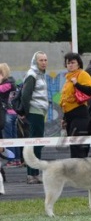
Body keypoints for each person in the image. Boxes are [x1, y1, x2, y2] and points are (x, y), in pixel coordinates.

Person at [59, 52, 91, 158]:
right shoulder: (68, 78)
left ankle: (81, 172)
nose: (70, 65)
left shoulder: (82, 74)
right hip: (70, 117)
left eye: (72, 62)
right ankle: (76, 172)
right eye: (68, 63)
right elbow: (66, 100)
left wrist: (77, 84)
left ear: (78, 64)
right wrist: (64, 118)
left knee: (79, 147)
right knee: (73, 147)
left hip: (80, 115)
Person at [21, 51, 49, 184]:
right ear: (35, 61)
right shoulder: (32, 74)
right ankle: (32, 174)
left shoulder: (40, 75)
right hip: (34, 112)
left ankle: (34, 173)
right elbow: (25, 95)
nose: (44, 62)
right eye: (41, 60)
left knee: (37, 143)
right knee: (34, 144)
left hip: (39, 112)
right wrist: (27, 114)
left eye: (45, 60)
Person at [0, 63, 21, 167]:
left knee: (8, 138)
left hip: (6, 113)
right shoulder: (12, 83)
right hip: (14, 113)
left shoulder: (6, 84)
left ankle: (11, 159)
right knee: (14, 137)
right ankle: (17, 159)